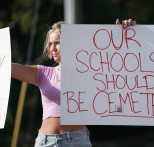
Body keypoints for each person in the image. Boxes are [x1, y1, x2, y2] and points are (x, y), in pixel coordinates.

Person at [11, 18, 136, 147]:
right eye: (50, 44)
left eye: (57, 43)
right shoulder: (43, 73)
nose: (53, 48)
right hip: (46, 142)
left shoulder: (89, 72)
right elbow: (8, 67)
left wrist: (123, 32)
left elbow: (117, 61)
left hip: (77, 140)